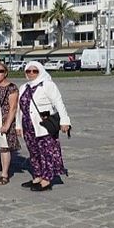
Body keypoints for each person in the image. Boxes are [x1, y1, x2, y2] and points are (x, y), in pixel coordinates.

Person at [16, 61, 71, 191]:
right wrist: (18, 125)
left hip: (44, 125)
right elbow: (19, 108)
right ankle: (37, 176)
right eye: (28, 71)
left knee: (46, 152)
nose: (31, 74)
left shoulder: (47, 85)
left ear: (40, 71)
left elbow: (58, 103)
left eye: (35, 71)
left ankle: (47, 179)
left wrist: (65, 120)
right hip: (28, 125)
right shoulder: (24, 87)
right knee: (34, 152)